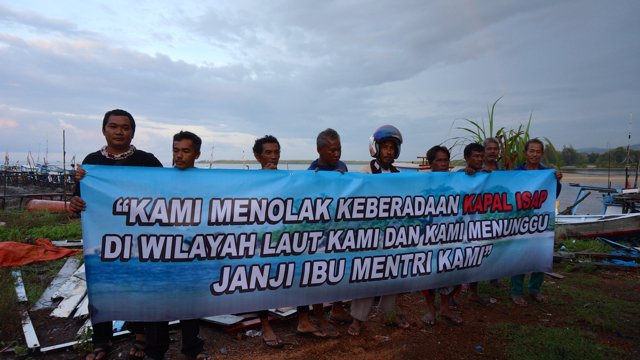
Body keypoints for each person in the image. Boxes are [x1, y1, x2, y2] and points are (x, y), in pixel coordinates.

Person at [69, 109, 162, 360]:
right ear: (104, 130)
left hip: (139, 239)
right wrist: (75, 202)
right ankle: (101, 339)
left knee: (139, 286)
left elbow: (166, 194)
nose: (119, 131)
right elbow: (79, 200)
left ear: (133, 132)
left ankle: (140, 333)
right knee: (102, 286)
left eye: (125, 127)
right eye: (113, 126)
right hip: (103, 239)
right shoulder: (91, 163)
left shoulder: (148, 161)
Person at [141, 131, 212, 360]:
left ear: (197, 154)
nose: (179, 155)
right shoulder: (160, 178)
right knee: (157, 300)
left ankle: (192, 347)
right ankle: (154, 350)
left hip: (194, 250)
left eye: (185, 150)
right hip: (162, 249)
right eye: (175, 150)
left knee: (190, 301)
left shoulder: (209, 181)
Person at [348, 125, 411, 336]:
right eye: (384, 147)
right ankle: (358, 319)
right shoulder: (364, 173)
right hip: (368, 235)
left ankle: (389, 314)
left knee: (392, 272)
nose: (389, 151)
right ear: (375, 148)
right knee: (367, 274)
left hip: (392, 234)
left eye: (392, 148)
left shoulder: (401, 175)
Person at [298, 128, 352, 338]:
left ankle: (337, 310)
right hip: (319, 233)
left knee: (338, 270)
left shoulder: (342, 167)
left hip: (339, 229)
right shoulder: (313, 172)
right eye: (332, 150)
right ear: (319, 149)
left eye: (339, 149)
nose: (337, 154)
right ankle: (319, 317)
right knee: (318, 274)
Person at [511, 138, 563, 306]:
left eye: (538, 152)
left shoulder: (548, 174)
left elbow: (553, 195)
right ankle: (517, 291)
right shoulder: (515, 173)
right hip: (520, 221)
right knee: (518, 254)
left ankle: (535, 289)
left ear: (542, 154)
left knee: (541, 253)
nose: (534, 154)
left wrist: (557, 181)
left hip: (541, 221)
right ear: (525, 153)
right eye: (531, 151)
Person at [250, 135, 288, 348]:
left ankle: (303, 321)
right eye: (268, 153)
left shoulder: (288, 177)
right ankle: (265, 326)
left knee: (297, 273)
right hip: (260, 241)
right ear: (257, 156)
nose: (274, 157)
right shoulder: (250, 182)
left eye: (276, 152)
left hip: (285, 238)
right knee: (261, 281)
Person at [420, 146, 463, 326]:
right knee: (428, 273)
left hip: (451, 235)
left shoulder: (457, 180)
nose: (443, 164)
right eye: (438, 160)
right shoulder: (422, 182)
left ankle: (445, 309)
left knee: (450, 270)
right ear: (430, 163)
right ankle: (431, 310)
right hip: (428, 236)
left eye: (446, 160)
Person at [458, 143, 494, 309]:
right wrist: (468, 176)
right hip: (458, 226)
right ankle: (451, 296)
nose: (480, 159)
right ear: (467, 158)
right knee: (456, 258)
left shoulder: (487, 174)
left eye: (481, 156)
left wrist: (486, 176)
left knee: (476, 256)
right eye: (476, 156)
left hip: (478, 224)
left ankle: (473, 291)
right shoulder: (459, 174)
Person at [482, 138, 509, 289]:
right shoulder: (476, 167)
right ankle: (467, 281)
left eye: (495, 149)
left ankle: (494, 279)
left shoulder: (503, 170)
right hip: (479, 214)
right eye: (489, 149)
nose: (493, 152)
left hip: (497, 213)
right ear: (484, 151)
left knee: (496, 245)